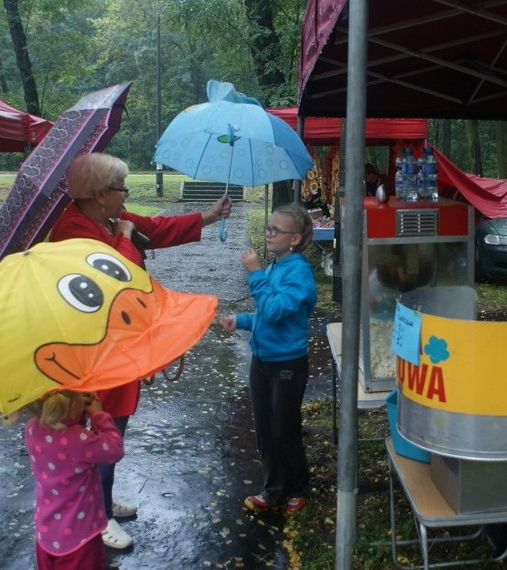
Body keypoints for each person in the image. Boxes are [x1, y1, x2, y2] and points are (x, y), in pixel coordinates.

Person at [49, 152, 232, 550]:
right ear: (99, 194)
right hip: (91, 353)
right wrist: (126, 238)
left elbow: (158, 227)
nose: (126, 195)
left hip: (116, 346)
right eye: (121, 188)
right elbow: (117, 277)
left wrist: (209, 216)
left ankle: (101, 496)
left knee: (113, 424)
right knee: (99, 426)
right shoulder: (72, 229)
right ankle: (97, 516)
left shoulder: (109, 218)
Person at [218, 204, 317, 514]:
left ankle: (298, 487)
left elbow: (275, 309)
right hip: (262, 360)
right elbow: (265, 314)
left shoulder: (299, 273)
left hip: (288, 363)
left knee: (283, 427)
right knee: (263, 426)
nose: (269, 233)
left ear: (295, 239)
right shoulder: (276, 266)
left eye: (276, 230)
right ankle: (273, 489)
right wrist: (241, 320)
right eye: (268, 228)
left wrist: (255, 272)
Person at [22, 390, 124, 570]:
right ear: (73, 405)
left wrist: (76, 415)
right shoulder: (78, 439)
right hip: (81, 539)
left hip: (46, 534)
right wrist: (98, 414)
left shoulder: (31, 428)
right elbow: (114, 449)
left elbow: (65, 440)